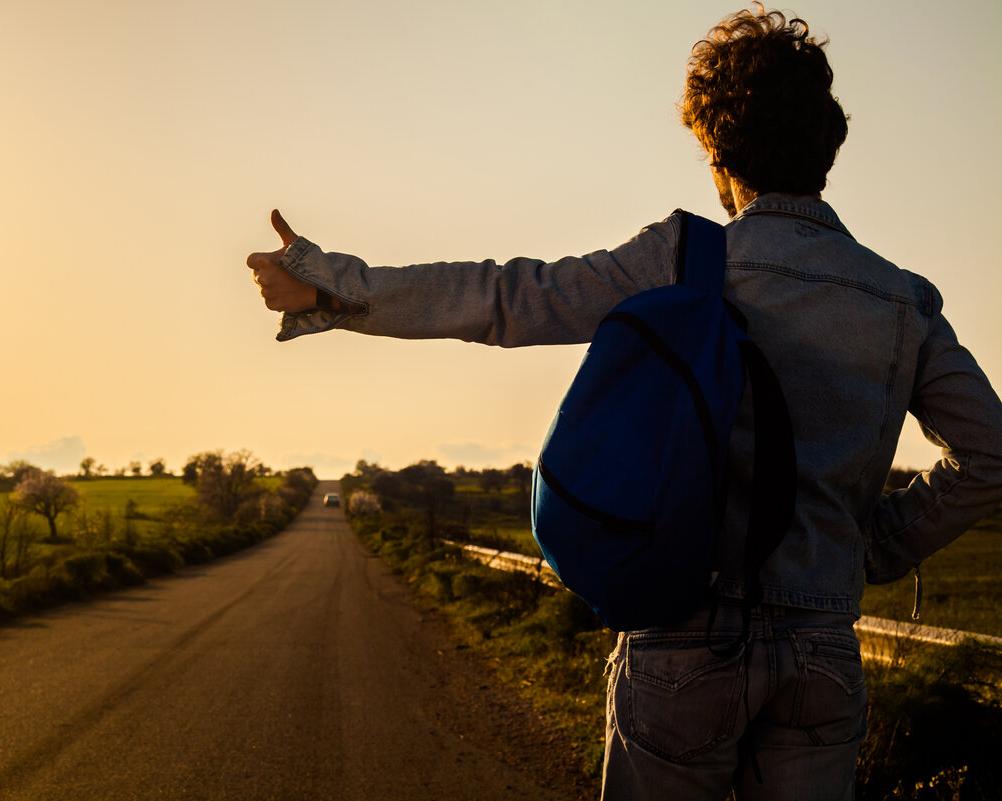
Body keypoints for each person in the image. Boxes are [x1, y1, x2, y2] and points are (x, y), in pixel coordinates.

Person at [245, 5, 1002, 799]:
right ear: (829, 145)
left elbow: (506, 297)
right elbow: (989, 454)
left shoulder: (683, 256)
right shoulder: (902, 300)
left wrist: (332, 284)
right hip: (821, 653)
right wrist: (875, 545)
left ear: (716, 153)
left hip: (682, 642)